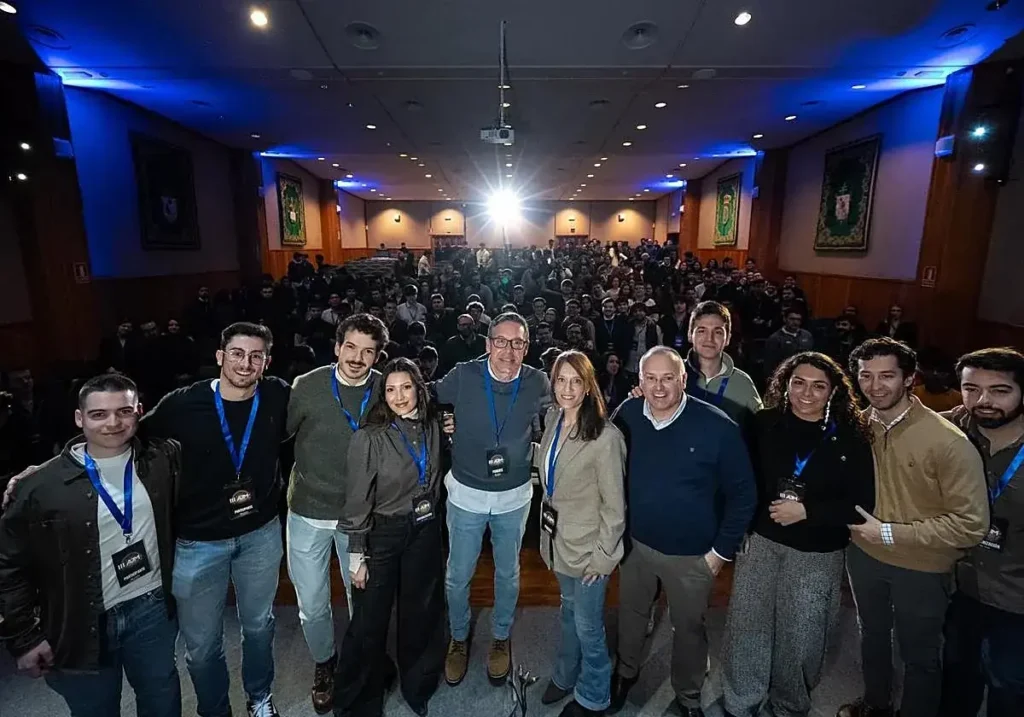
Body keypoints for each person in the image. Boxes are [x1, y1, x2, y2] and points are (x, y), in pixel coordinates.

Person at [0, 374, 182, 717]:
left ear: (139, 412)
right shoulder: (40, 487)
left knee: (163, 701)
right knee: (94, 710)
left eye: (124, 411)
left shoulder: (162, 460)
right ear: (79, 419)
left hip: (152, 609)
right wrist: (24, 637)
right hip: (79, 620)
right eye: (99, 414)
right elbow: (8, 567)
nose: (113, 423)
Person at [709, 352, 875, 717]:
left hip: (817, 550)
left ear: (833, 392)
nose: (806, 393)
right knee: (747, 625)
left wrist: (808, 511)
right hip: (761, 543)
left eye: (819, 386)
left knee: (802, 635)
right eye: (798, 382)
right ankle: (740, 701)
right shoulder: (762, 424)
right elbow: (739, 482)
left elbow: (863, 504)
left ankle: (788, 706)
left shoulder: (850, 436)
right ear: (785, 384)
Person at [144, 322, 291, 717]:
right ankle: (215, 709)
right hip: (197, 542)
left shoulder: (277, 395)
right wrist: (50, 465)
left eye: (256, 356)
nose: (246, 363)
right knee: (202, 646)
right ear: (220, 357)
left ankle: (259, 697)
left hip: (260, 534)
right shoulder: (182, 403)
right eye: (238, 354)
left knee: (259, 626)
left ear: (267, 361)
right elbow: (121, 434)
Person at [837, 338, 989, 717]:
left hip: (922, 566)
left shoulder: (948, 441)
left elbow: (971, 525)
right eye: (866, 376)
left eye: (887, 376)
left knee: (919, 654)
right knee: (870, 634)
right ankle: (875, 704)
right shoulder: (858, 425)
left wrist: (889, 533)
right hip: (864, 555)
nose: (875, 386)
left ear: (909, 379)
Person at [609, 347, 757, 716]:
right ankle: (625, 673)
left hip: (692, 554)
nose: (659, 388)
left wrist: (720, 553)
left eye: (668, 378)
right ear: (640, 382)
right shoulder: (626, 415)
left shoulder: (718, 425)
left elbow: (744, 493)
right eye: (651, 379)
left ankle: (689, 695)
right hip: (636, 547)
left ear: (683, 380)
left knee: (689, 629)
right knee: (630, 616)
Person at [433, 313, 551, 687]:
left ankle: (500, 637)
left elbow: (572, 406)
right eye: (500, 341)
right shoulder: (464, 375)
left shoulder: (538, 381)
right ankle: (458, 637)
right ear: (487, 345)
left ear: (526, 348)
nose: (508, 351)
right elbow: (425, 396)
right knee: (457, 575)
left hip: (514, 497)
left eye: (517, 343)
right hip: (466, 494)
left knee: (508, 572)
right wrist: (439, 417)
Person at [285, 314, 387, 713]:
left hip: (360, 518)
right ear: (337, 347)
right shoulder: (306, 386)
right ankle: (325, 664)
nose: (358, 358)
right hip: (308, 511)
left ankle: (361, 665)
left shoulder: (384, 388)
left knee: (359, 599)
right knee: (311, 603)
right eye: (351, 347)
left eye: (368, 351)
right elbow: (276, 433)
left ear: (377, 356)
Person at [334, 358, 447, 717]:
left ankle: (418, 686)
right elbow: (357, 501)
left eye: (406, 387)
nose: (399, 396)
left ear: (419, 388)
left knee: (421, 612)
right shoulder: (370, 436)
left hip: (425, 530)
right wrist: (356, 555)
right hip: (381, 534)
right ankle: (357, 703)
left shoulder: (431, 424)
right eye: (391, 389)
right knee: (369, 622)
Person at [536, 351, 627, 717]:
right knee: (568, 612)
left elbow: (615, 507)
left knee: (589, 626)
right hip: (558, 542)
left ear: (589, 385)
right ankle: (564, 674)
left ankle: (594, 696)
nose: (567, 388)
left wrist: (604, 558)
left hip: (591, 551)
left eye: (576, 381)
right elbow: (550, 470)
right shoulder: (552, 417)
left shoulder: (606, 437)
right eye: (561, 380)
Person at [939, 347, 1024, 717]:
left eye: (999, 390)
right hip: (961, 585)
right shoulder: (953, 428)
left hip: (1017, 598)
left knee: (1009, 687)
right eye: (971, 389)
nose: (983, 401)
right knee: (957, 679)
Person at [684, 301, 762, 428]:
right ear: (690, 334)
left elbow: (761, 431)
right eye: (702, 331)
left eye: (718, 332)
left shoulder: (743, 383)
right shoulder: (670, 375)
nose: (709, 338)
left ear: (728, 339)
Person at [764, 310, 814, 376]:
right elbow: (769, 364)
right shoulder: (775, 338)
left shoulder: (807, 335)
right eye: (792, 319)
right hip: (784, 374)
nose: (795, 322)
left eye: (798, 319)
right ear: (785, 319)